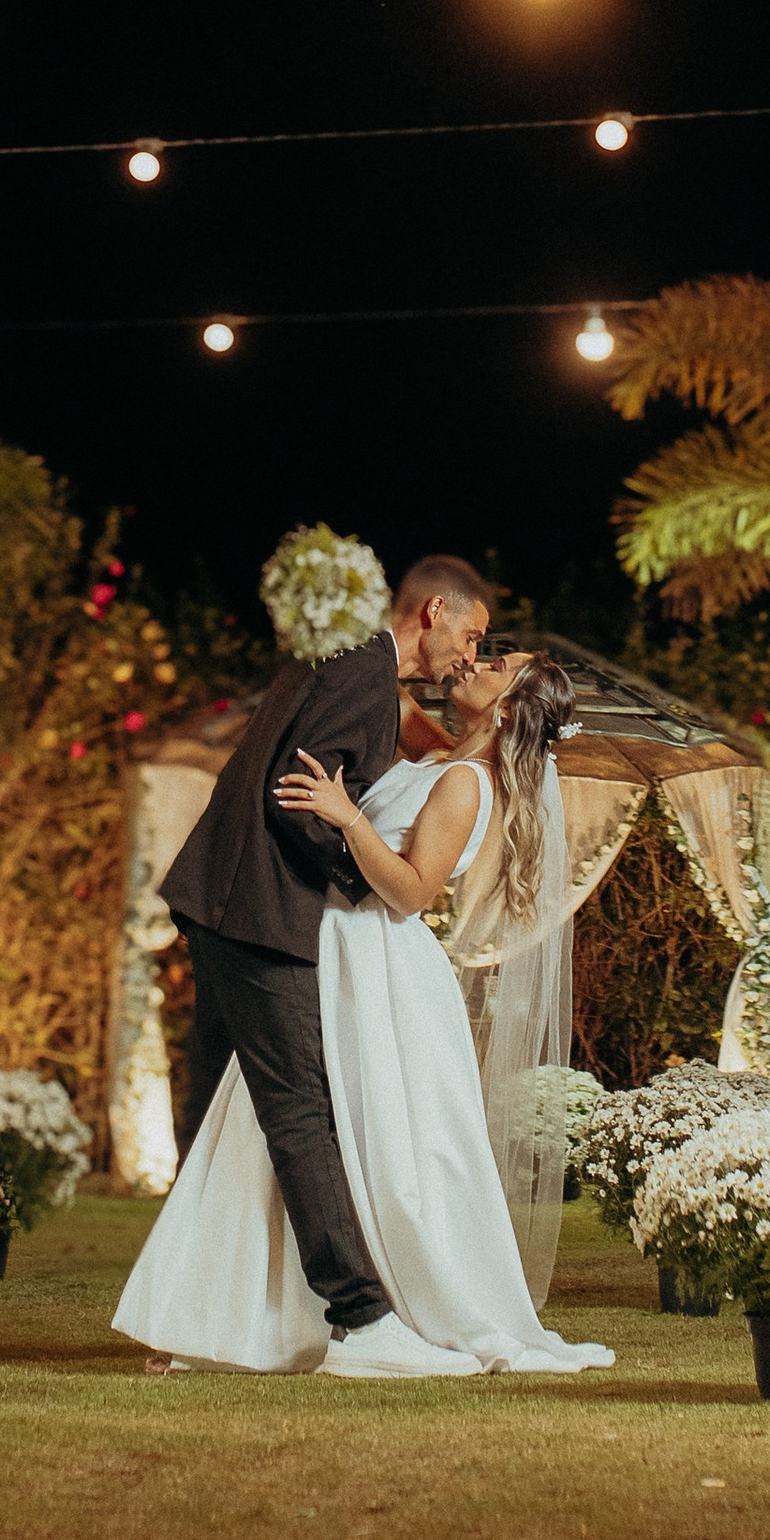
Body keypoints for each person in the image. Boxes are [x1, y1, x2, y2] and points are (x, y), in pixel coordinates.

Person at [116, 645, 615, 1379]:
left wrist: (349, 818)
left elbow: (411, 890)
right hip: (334, 949)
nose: (476, 663)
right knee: (279, 1126)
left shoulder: (468, 783)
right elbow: (374, 681)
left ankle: (374, 1310)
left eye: (494, 663)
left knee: (359, 1133)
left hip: (378, 966)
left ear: (507, 707)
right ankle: (228, 1320)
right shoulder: (438, 752)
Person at [154, 554, 490, 1380]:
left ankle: (200, 1323)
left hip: (227, 904)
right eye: (471, 634)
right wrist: (368, 889)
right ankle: (361, 1319)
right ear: (434, 610)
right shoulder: (365, 672)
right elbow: (297, 797)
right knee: (302, 1113)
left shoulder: (350, 662)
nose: (470, 656)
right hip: (260, 913)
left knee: (231, 1122)